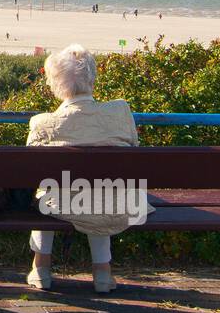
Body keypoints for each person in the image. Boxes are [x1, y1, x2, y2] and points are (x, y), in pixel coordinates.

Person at [25, 44, 147, 294]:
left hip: (61, 205)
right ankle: (103, 272)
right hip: (119, 205)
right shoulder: (120, 112)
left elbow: (32, 173)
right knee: (102, 190)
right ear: (92, 78)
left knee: (48, 192)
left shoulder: (42, 124)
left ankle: (41, 268)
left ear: (56, 84)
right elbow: (134, 145)